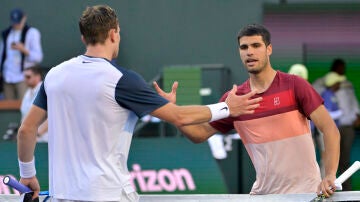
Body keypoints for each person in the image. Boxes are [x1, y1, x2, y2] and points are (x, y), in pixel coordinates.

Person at [16, 5, 262, 202]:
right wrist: (228, 108)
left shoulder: (55, 75)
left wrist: (28, 175)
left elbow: (26, 131)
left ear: (84, 37)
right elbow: (180, 117)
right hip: (108, 194)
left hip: (62, 195)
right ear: (114, 34)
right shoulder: (120, 79)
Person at [154, 23, 340, 197]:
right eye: (244, 48)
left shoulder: (294, 85)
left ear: (269, 49)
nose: (249, 52)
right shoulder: (234, 100)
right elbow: (199, 134)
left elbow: (330, 129)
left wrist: (330, 174)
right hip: (263, 197)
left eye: (256, 45)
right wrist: (170, 111)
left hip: (306, 193)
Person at [313, 58, 360, 191]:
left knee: (345, 160)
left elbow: (353, 102)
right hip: (329, 128)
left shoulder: (346, 84)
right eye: (340, 67)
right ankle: (326, 188)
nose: (342, 70)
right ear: (334, 68)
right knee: (328, 160)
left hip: (346, 126)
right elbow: (318, 103)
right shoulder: (322, 85)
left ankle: (346, 190)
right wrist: (329, 88)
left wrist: (357, 115)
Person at [0, 8, 43, 100]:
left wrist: (24, 50)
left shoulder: (32, 33)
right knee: (8, 107)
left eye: (19, 21)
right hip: (7, 76)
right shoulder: (7, 34)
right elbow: (2, 55)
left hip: (23, 77)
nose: (17, 24)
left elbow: (38, 57)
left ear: (24, 18)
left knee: (24, 104)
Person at [20, 66, 48, 142]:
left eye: (28, 77)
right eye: (24, 77)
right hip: (30, 138)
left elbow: (52, 116)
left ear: (37, 76)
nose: (25, 80)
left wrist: (38, 134)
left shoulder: (46, 89)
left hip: (45, 139)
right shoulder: (27, 92)